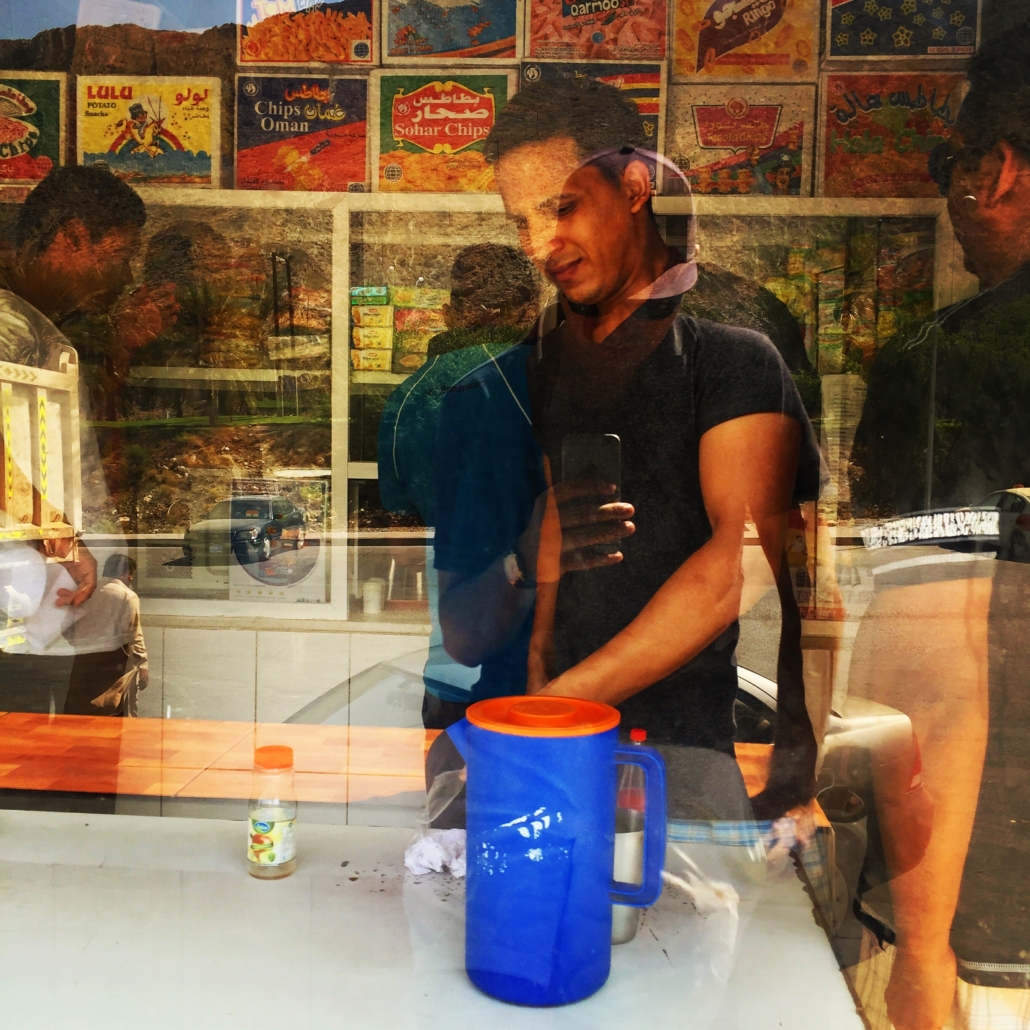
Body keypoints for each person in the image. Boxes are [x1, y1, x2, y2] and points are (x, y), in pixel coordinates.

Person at [432, 77, 825, 818]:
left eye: (561, 207)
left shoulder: (730, 359)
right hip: (511, 754)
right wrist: (525, 558)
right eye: (521, 221)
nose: (539, 245)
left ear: (636, 186)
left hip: (671, 752)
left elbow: (740, 562)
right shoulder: (498, 392)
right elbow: (464, 636)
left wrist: (552, 706)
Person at [848, 23, 1030, 1030]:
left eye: (948, 165)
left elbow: (936, 684)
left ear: (995, 171)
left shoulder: (949, 363)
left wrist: (921, 950)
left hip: (991, 929)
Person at [0, 165, 177, 714]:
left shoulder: (41, 321)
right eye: (120, 254)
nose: (126, 275)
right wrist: (59, 537)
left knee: (70, 745)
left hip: (56, 594)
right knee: (30, 744)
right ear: (74, 236)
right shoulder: (8, 325)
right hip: (28, 590)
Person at [377, 243, 540, 730]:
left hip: (450, 663)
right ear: (531, 311)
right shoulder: (540, 380)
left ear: (449, 313)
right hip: (544, 656)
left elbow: (403, 549)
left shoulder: (407, 398)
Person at [63, 555, 148, 717]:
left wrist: (79, 642)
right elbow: (133, 635)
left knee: (80, 707)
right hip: (113, 663)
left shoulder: (85, 592)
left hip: (83, 658)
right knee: (113, 708)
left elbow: (66, 627)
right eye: (131, 574)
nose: (131, 579)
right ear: (125, 573)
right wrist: (143, 664)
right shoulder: (127, 596)